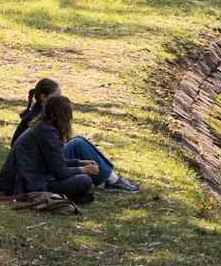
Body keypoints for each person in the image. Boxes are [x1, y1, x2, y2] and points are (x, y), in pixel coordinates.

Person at [11, 77, 139, 192]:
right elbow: (58, 168)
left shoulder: (43, 119)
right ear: (44, 97)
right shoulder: (42, 123)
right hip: (32, 172)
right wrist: (82, 169)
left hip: (37, 164)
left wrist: (78, 163)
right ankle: (112, 180)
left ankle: (111, 177)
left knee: (77, 140)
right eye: (56, 96)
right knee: (78, 144)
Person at [0, 96, 98, 204]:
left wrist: (79, 163)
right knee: (84, 181)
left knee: (81, 179)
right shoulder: (48, 133)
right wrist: (84, 170)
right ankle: (71, 196)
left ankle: (71, 197)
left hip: (29, 178)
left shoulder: (42, 128)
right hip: (28, 184)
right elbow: (60, 172)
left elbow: (55, 161)